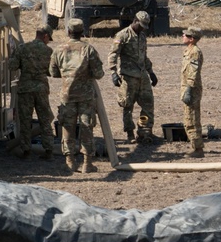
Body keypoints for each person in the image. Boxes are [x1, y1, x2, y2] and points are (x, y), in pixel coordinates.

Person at [49, 18, 105, 173]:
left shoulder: (59, 50)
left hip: (67, 95)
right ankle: (87, 163)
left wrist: (68, 76)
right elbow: (99, 74)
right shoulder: (89, 49)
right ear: (82, 32)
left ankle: (70, 162)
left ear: (68, 31)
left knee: (67, 127)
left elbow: (53, 72)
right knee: (87, 127)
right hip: (86, 96)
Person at [108, 11, 158, 143]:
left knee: (148, 104)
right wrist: (113, 73)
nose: (143, 28)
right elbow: (113, 54)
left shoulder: (142, 36)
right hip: (128, 77)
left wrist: (151, 72)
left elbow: (144, 56)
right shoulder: (122, 35)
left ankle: (144, 131)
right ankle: (130, 134)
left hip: (142, 76)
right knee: (127, 106)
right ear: (135, 21)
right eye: (141, 25)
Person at [9, 26, 55, 160]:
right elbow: (51, 72)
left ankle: (27, 152)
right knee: (45, 120)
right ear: (45, 36)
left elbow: (12, 66)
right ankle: (49, 151)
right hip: (41, 89)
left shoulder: (23, 48)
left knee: (25, 121)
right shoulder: (48, 51)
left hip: (25, 89)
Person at [180, 27, 204, 157]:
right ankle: (196, 146)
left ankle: (198, 149)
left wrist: (188, 90)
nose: (183, 36)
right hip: (187, 88)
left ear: (192, 39)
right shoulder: (188, 50)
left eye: (186, 35)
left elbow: (193, 73)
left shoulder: (194, 52)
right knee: (188, 118)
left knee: (192, 119)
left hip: (192, 89)